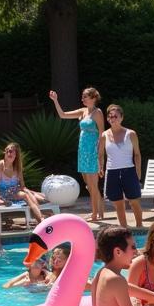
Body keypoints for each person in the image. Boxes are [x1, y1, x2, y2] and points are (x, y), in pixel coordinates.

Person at [49, 86, 105, 223]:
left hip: (92, 152)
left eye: (85, 96)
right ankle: (100, 211)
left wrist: (100, 156)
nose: (82, 99)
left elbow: (102, 134)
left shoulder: (98, 113)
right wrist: (55, 100)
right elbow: (63, 115)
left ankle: (94, 214)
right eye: (83, 96)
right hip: (82, 152)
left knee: (92, 185)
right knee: (88, 184)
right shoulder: (83, 111)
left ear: (93, 98)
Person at [99, 105, 144, 228]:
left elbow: (137, 154)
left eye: (115, 116)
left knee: (134, 201)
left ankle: (140, 227)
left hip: (128, 170)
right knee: (118, 204)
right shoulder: (104, 135)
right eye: (110, 116)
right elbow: (101, 154)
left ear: (121, 118)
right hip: (112, 172)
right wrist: (101, 167)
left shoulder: (131, 134)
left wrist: (138, 171)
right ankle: (124, 229)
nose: (112, 118)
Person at [0, 142, 46, 225]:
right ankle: (41, 219)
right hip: (4, 194)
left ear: (16, 154)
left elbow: (22, 186)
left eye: (11, 151)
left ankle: (41, 217)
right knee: (27, 195)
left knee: (38, 196)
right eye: (7, 151)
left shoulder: (17, 167)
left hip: (16, 192)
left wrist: (29, 192)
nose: (8, 153)